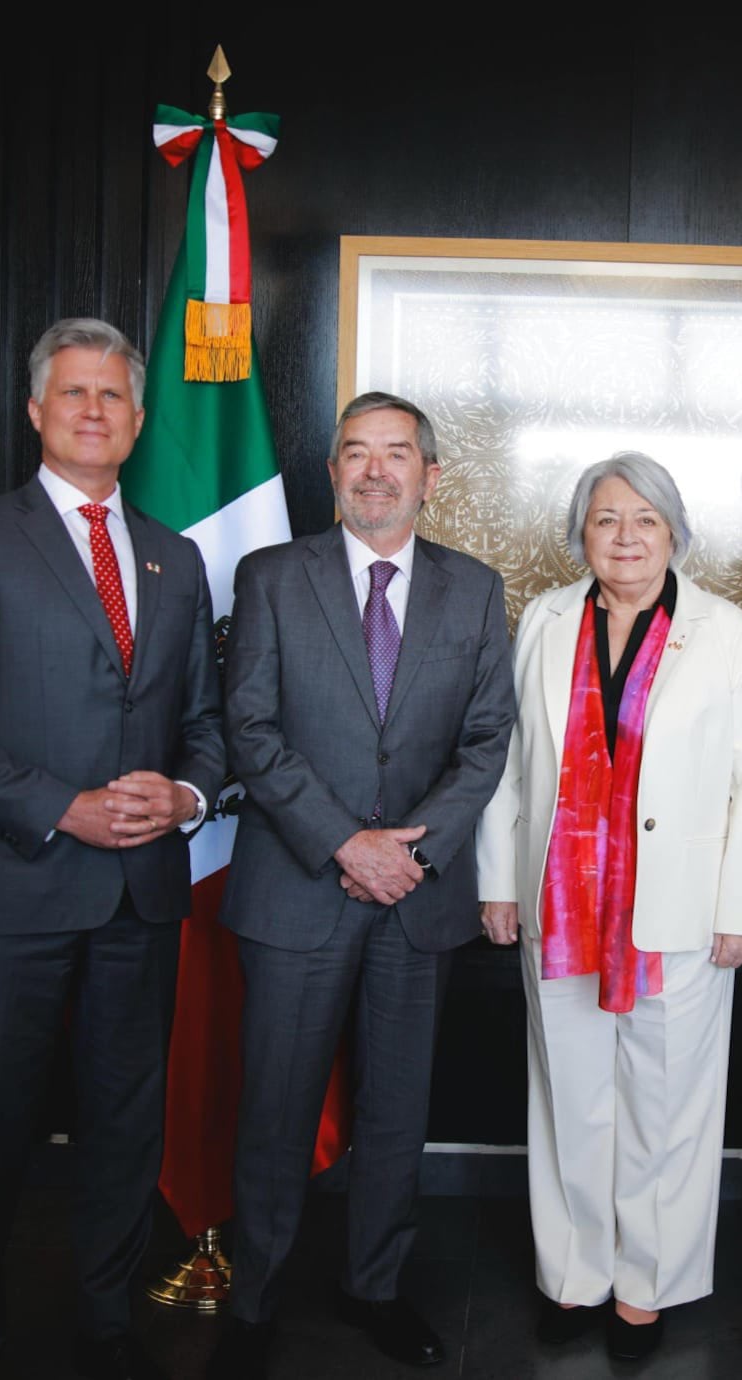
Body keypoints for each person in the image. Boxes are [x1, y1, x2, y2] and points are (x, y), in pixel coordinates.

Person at [0, 318, 224, 1380]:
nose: (93, 410)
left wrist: (182, 793)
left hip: (140, 897)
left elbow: (208, 724)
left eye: (112, 397)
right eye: (72, 393)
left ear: (136, 421)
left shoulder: (175, 558)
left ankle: (106, 1324)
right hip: (9, 890)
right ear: (37, 412)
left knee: (127, 1130)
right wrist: (59, 806)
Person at [207, 391, 515, 1379]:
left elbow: (483, 742)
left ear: (430, 475)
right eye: (354, 453)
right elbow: (248, 729)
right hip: (299, 885)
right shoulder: (269, 577)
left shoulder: (472, 589)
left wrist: (408, 856)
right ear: (331, 471)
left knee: (394, 1113)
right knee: (276, 1107)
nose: (374, 470)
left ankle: (373, 1289)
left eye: (396, 453)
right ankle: (252, 1302)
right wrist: (348, 844)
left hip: (414, 899)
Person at [475, 453, 742, 1361]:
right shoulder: (544, 619)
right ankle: (574, 1276)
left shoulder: (723, 632)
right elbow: (510, 764)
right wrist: (498, 883)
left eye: (645, 519)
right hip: (561, 903)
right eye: (606, 519)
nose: (625, 537)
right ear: (581, 535)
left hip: (680, 910)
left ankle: (649, 1285)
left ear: (676, 532)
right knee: (570, 1097)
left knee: (667, 1102)